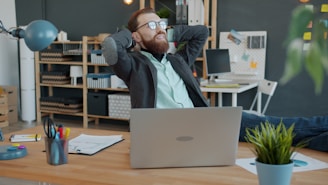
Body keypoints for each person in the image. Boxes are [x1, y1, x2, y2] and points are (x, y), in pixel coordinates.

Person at [102, 7, 328, 152]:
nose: (159, 28)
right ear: (136, 35)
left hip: (205, 122)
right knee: (275, 129)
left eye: (161, 24)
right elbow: (111, 46)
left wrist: (164, 33)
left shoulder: (177, 60)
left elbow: (201, 32)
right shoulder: (133, 65)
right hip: (165, 134)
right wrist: (131, 40)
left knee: (276, 129)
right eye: (151, 25)